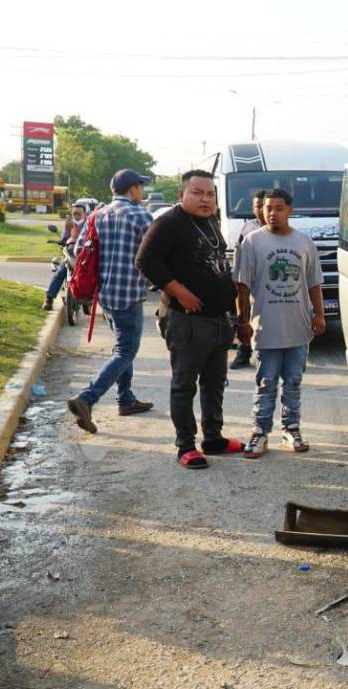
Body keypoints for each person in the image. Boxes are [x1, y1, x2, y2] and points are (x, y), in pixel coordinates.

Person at [136, 170, 243, 469]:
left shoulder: (209, 221)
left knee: (215, 382)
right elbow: (145, 261)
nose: (205, 199)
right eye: (197, 193)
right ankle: (185, 445)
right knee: (185, 385)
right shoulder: (169, 223)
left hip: (217, 319)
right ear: (182, 194)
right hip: (187, 319)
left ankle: (213, 438)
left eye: (210, 194)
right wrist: (179, 292)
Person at [236, 188, 326, 458]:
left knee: (294, 382)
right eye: (268, 208)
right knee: (266, 383)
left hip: (298, 328)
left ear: (290, 210)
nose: (272, 213)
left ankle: (291, 429)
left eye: (278, 208)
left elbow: (314, 283)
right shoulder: (251, 242)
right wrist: (242, 322)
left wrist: (319, 315)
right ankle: (260, 432)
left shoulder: (304, 242)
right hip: (266, 328)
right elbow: (242, 287)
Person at [65, 170, 156, 433]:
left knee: (121, 348)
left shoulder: (97, 215)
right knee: (126, 351)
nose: (142, 192)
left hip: (104, 294)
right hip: (129, 294)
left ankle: (126, 399)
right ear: (132, 189)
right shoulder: (141, 216)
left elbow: (79, 249)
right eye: (140, 187)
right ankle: (87, 398)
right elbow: (156, 252)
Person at [229, 190, 267, 370]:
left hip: (269, 284)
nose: (260, 210)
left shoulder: (280, 229)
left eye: (263, 206)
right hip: (248, 281)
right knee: (244, 316)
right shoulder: (248, 227)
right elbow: (239, 253)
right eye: (257, 206)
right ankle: (244, 352)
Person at [43, 202, 88, 310]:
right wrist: (62, 238)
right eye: (74, 213)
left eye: (78, 212)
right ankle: (49, 299)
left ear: (84, 213)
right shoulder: (69, 223)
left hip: (85, 256)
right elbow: (64, 238)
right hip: (71, 255)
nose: (76, 215)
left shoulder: (89, 223)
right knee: (61, 271)